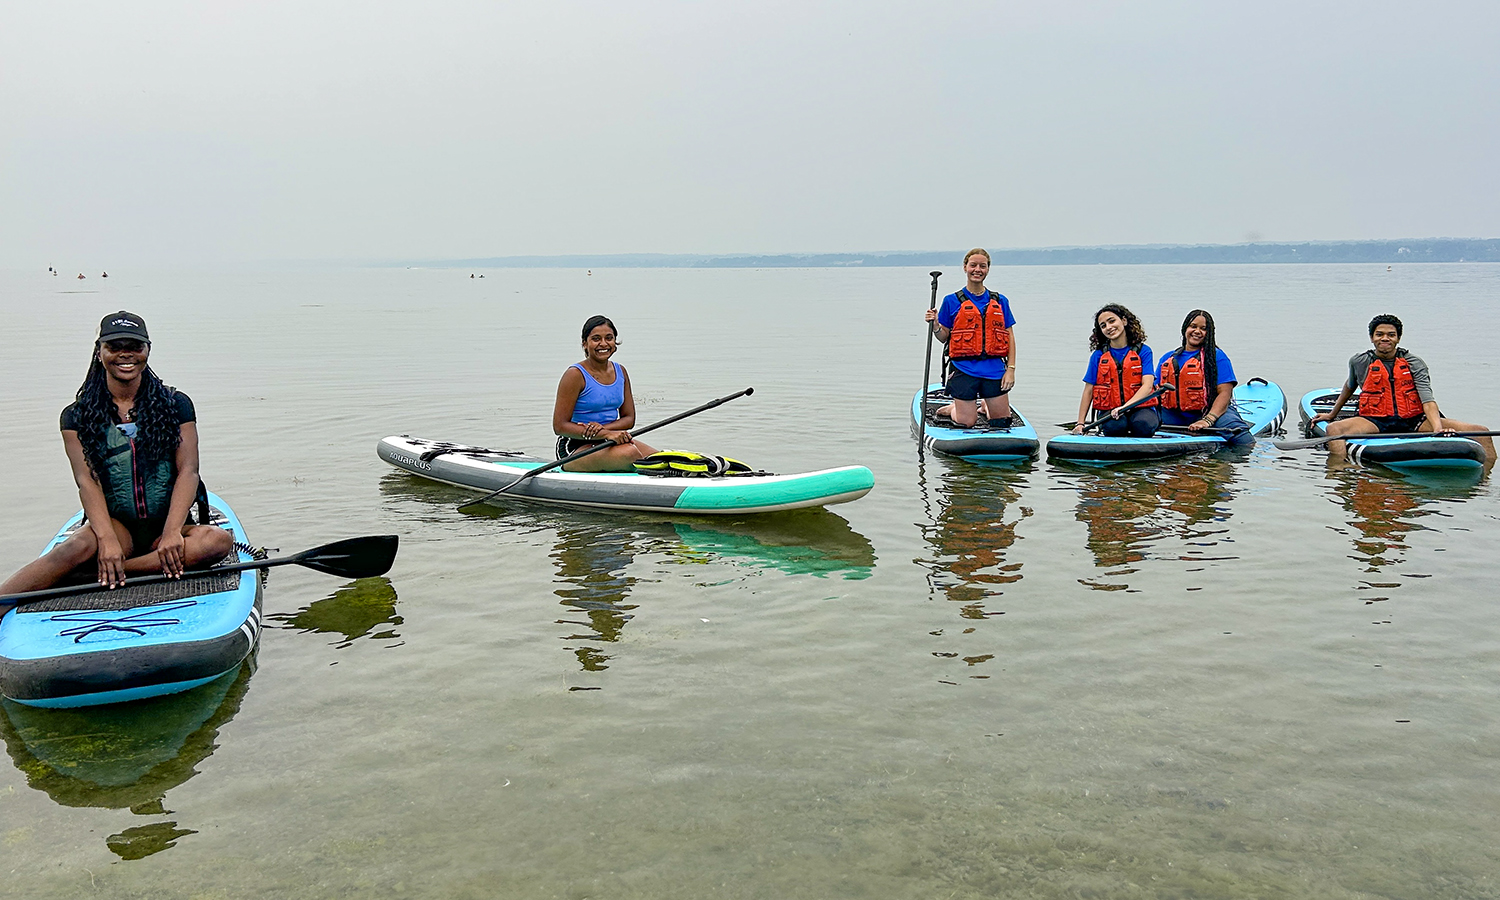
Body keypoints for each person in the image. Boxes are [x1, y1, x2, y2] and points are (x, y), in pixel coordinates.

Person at [0, 312, 233, 595]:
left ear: (147, 350)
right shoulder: (76, 416)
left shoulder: (177, 405)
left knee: (215, 543)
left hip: (170, 524)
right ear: (100, 352)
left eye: (135, 346)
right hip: (118, 526)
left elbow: (189, 471)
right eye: (115, 346)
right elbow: (87, 481)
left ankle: (99, 573)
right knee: (74, 547)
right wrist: (107, 540)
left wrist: (172, 532)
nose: (126, 354)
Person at [1313, 314, 1494, 459]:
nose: (1385, 339)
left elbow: (1428, 401)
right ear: (1371, 337)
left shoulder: (1414, 363)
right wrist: (1332, 415)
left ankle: (1486, 480)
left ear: (1398, 338)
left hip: (1414, 420)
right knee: (1334, 429)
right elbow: (1349, 386)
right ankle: (1340, 472)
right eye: (1379, 334)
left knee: (1482, 432)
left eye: (1391, 335)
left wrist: (1437, 428)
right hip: (1375, 420)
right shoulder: (1359, 361)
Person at [922, 248, 1017, 428]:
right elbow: (944, 337)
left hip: (994, 369)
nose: (977, 270)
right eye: (973, 265)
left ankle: (984, 407)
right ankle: (953, 409)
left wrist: (1010, 369)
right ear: (965, 267)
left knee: (1001, 422)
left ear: (988, 269)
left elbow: (1010, 337)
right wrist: (935, 325)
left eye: (983, 266)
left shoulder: (1000, 300)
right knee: (967, 422)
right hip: (963, 369)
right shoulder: (951, 300)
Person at [551, 315, 657, 472]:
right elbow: (559, 426)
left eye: (609, 338)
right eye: (596, 339)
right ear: (585, 344)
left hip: (610, 440)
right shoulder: (574, 375)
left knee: (661, 458)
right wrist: (605, 434)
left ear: (615, 342)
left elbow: (629, 418)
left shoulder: (620, 371)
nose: (603, 344)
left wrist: (604, 431)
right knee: (631, 453)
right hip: (574, 447)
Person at [1155, 309, 1252, 445]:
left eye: (1203, 328)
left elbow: (1225, 393)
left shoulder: (1217, 357)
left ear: (1209, 333)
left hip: (1210, 412)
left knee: (1241, 437)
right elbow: (1153, 390)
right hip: (1173, 415)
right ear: (1185, 329)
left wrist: (1208, 420)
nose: (1197, 331)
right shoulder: (1168, 358)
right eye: (1193, 326)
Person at [1072, 304, 1160, 437]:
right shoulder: (1098, 355)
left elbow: (1147, 386)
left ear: (1124, 321)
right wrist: (1080, 423)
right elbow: (1088, 390)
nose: (1109, 327)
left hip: (1141, 408)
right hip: (1110, 410)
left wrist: (1124, 408)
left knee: (1142, 425)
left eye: (1112, 321)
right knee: (1115, 428)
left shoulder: (1144, 351)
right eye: (1103, 325)